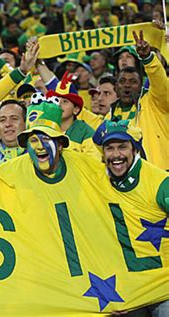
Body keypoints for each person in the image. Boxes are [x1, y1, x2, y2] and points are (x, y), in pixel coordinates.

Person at [93, 120, 168, 317]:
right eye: (109, 148)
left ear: (134, 150)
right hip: (128, 291)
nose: (116, 155)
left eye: (122, 147)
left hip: (164, 288)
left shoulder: (160, 183)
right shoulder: (97, 182)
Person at [109, 30, 168, 170]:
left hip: (162, 173)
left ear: (142, 85)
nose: (127, 85)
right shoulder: (110, 115)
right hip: (131, 181)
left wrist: (148, 58)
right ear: (116, 87)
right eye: (122, 81)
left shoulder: (154, 101)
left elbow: (161, 83)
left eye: (133, 82)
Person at [46, 75, 100, 160]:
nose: (59, 105)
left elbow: (93, 163)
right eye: (56, 100)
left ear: (76, 109)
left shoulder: (86, 133)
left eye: (65, 101)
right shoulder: (45, 128)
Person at [0, 99, 27, 168]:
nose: (7, 124)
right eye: (2, 120)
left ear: (26, 123)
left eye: (14, 118)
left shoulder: (38, 158)